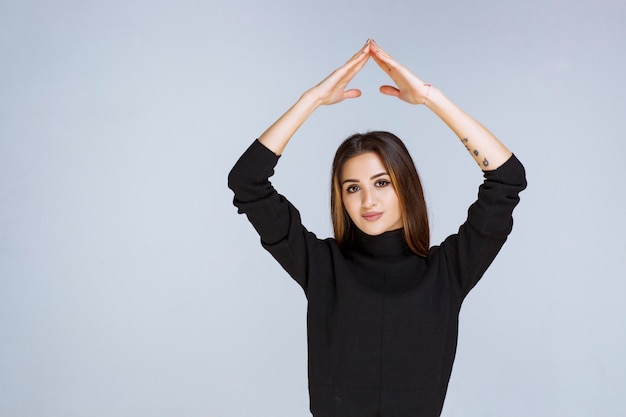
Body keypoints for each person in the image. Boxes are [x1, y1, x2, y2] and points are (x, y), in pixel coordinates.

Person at [228, 39, 527, 417]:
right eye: (353, 188)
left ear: (406, 186)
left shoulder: (448, 271)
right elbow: (247, 182)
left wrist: (432, 99)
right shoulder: (321, 266)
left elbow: (507, 178)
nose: (367, 201)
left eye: (381, 183)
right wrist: (313, 99)